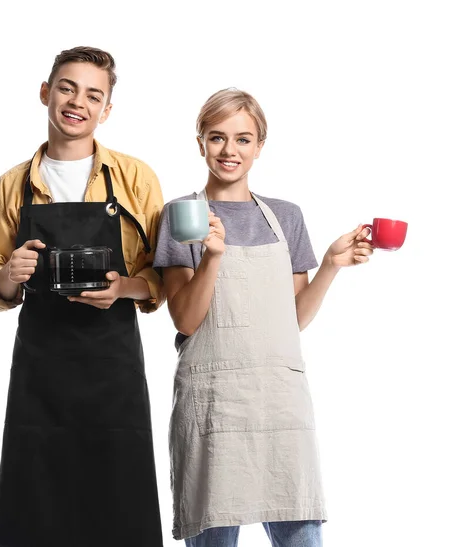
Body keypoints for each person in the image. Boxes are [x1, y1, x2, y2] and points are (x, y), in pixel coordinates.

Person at [153, 88, 374, 547]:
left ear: (259, 146)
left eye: (243, 139)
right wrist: (212, 258)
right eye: (216, 138)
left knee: (301, 534)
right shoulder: (183, 215)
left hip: (279, 399)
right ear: (200, 143)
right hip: (213, 399)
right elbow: (186, 321)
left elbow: (292, 319)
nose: (229, 151)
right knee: (213, 537)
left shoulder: (287, 217)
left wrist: (331, 265)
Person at [0, 46, 165, 547]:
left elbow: (162, 278)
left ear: (106, 109)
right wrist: (10, 274)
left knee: (119, 505)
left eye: (92, 94)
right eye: (67, 87)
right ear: (46, 92)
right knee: (35, 507)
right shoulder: (11, 185)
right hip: (42, 366)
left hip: (113, 364)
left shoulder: (135, 178)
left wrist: (123, 287)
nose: (77, 101)